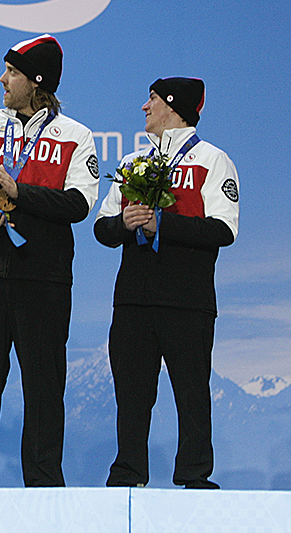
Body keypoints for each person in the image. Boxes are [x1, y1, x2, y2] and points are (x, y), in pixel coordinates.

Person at [0, 35, 99, 487]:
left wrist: (19, 194)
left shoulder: (75, 136)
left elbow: (78, 203)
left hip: (43, 279)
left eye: (11, 72)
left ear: (36, 81)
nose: (2, 79)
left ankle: (45, 487)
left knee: (44, 388)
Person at [95, 78, 238, 489]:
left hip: (187, 300)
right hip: (134, 300)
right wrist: (124, 223)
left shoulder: (213, 161)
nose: (144, 107)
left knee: (192, 394)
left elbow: (224, 228)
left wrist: (165, 224)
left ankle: (194, 476)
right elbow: (102, 229)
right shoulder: (131, 162)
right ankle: (128, 473)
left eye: (153, 100)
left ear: (173, 107)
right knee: (131, 395)